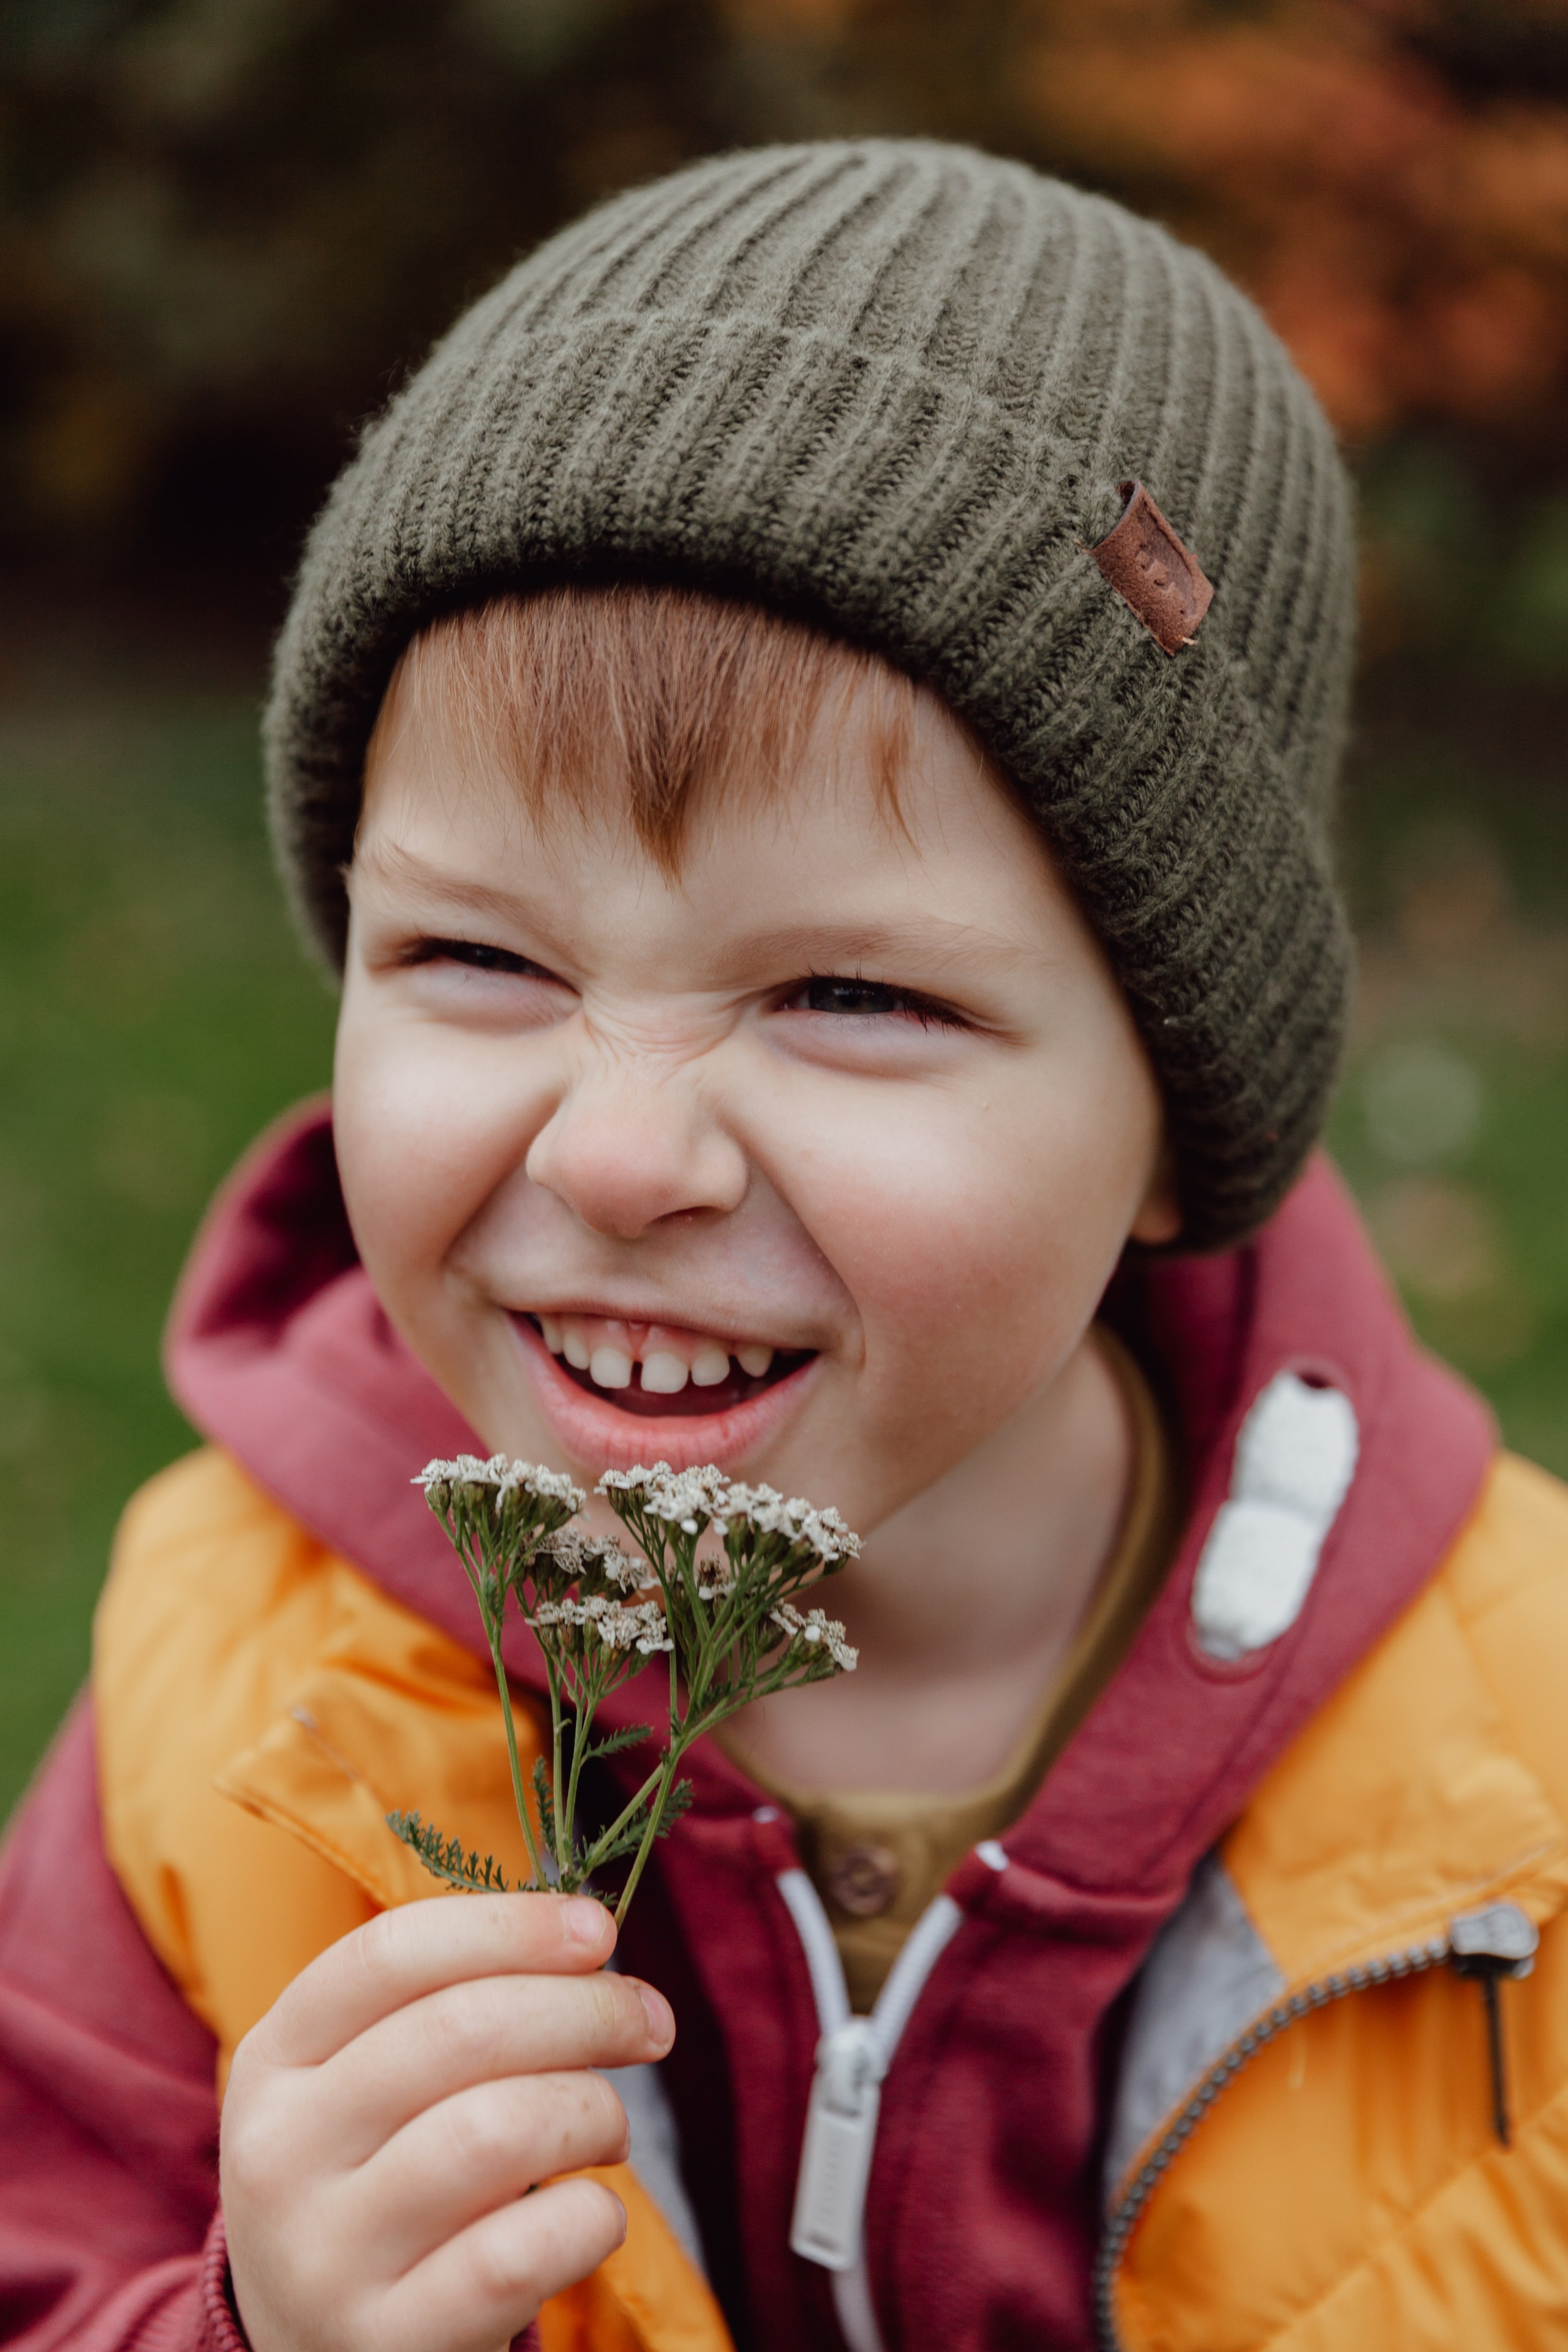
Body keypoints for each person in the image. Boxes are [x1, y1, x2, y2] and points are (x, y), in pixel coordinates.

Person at [4, 138, 1567, 2352]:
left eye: (855, 998)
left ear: (1171, 1110)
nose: (627, 1154)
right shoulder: (237, 1694)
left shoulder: (1527, 1759)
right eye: (477, 956)